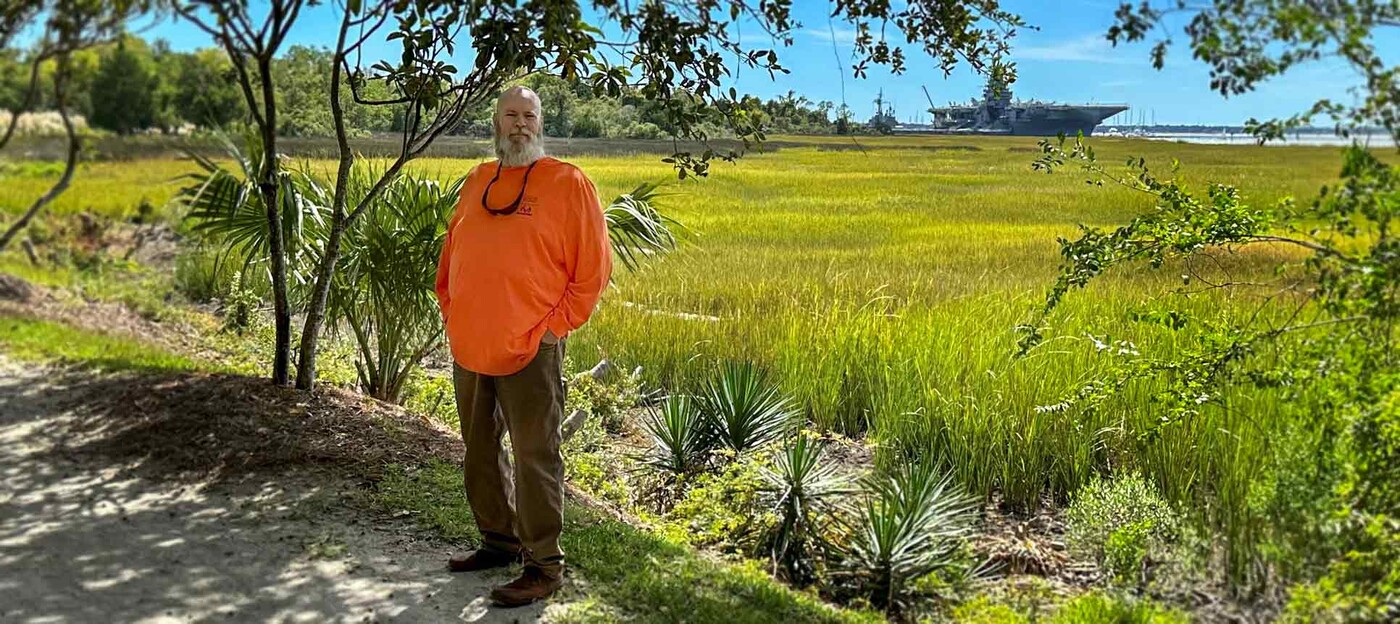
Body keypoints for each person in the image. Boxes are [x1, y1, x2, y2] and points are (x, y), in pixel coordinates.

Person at [433, 85, 612, 607]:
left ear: (540, 123)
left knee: (535, 456)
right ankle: (498, 540)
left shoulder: (568, 182)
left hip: (532, 347)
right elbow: (453, 253)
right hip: (471, 342)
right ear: (495, 122)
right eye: (510, 114)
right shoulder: (478, 179)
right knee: (479, 450)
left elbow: (592, 272)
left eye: (528, 115)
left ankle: (543, 566)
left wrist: (554, 328)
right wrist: (452, 309)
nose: (519, 124)